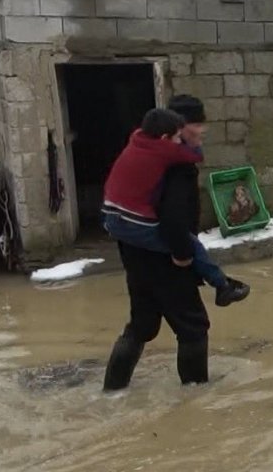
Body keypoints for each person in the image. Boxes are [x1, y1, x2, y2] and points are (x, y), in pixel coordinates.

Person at [103, 95, 218, 391]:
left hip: (134, 251)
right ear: (180, 129)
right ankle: (195, 399)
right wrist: (182, 255)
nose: (202, 130)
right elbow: (174, 218)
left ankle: (113, 391)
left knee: (142, 324)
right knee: (193, 327)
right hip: (166, 255)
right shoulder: (177, 166)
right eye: (197, 124)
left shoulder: (145, 150)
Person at [101, 108, 249, 307]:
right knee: (188, 246)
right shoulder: (165, 150)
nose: (182, 140)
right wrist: (182, 254)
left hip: (111, 216)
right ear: (164, 137)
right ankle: (222, 286)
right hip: (133, 222)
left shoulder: (136, 140)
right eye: (179, 136)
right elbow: (194, 156)